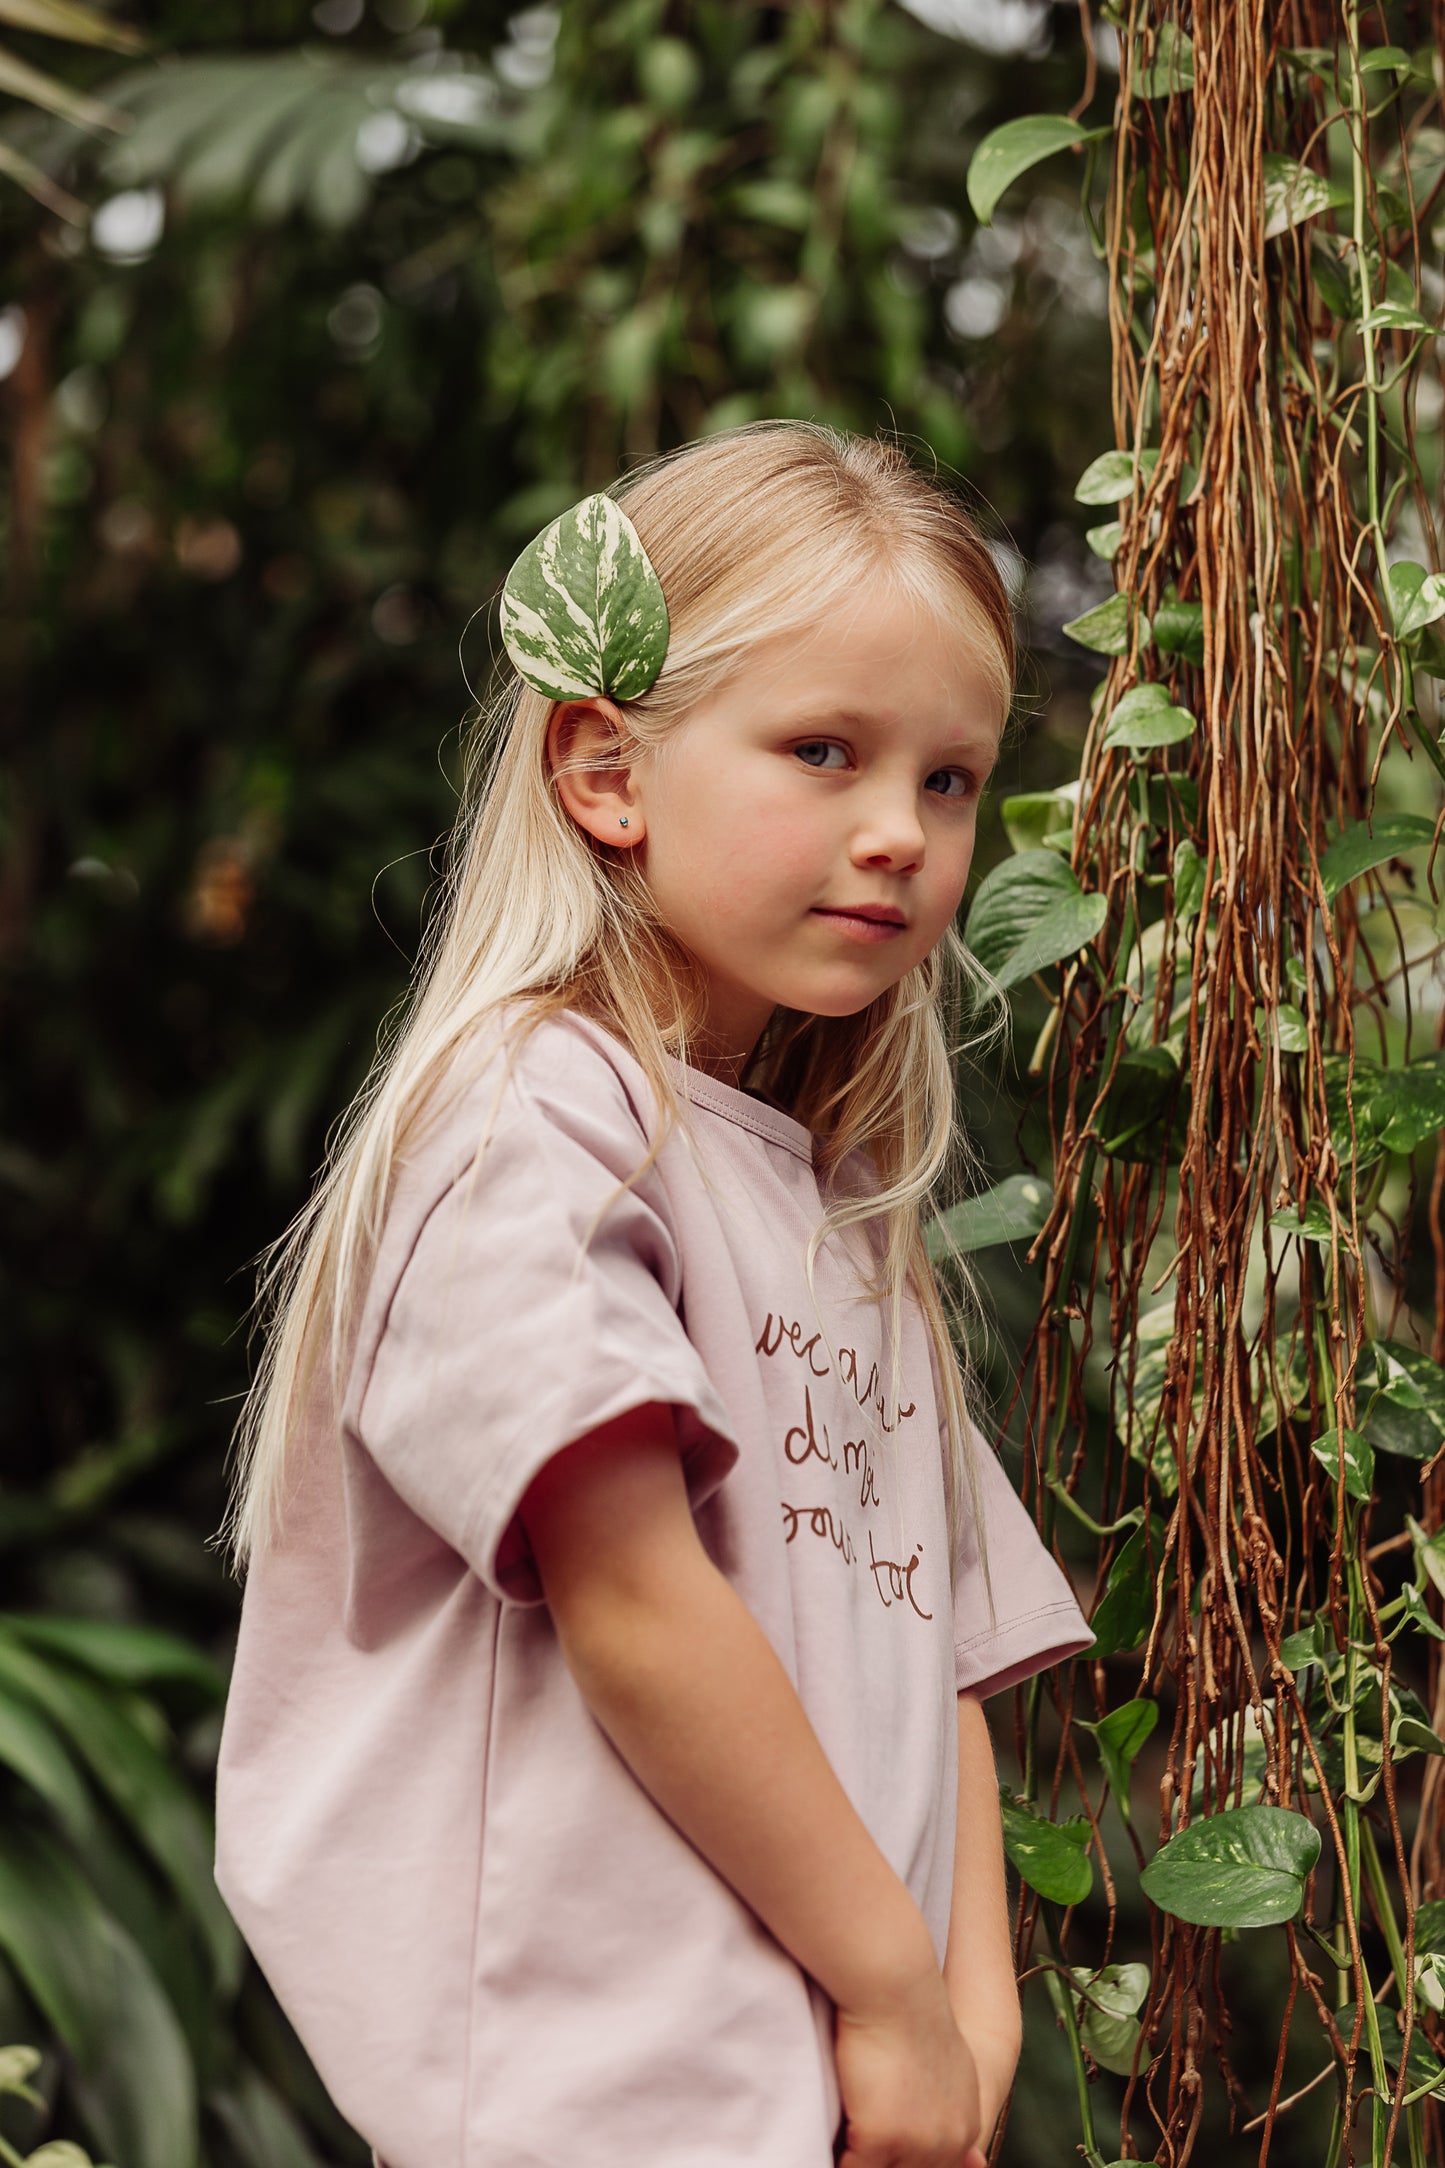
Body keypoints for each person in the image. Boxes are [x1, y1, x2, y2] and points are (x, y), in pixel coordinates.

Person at [213, 421, 1093, 2168]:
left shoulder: (845, 1222)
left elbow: (942, 1668)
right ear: (605, 771)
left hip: (828, 2093)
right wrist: (894, 1994)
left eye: (946, 778)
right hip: (597, 2109)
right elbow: (632, 1602)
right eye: (823, 750)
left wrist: (961, 2018)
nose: (899, 834)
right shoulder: (534, 1125)